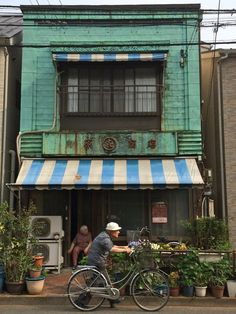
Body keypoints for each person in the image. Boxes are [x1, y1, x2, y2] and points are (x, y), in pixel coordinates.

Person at [87, 221, 132, 308]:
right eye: (117, 230)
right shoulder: (105, 238)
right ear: (112, 231)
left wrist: (124, 247)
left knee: (101, 283)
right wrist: (125, 250)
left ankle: (113, 300)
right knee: (103, 283)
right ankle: (80, 302)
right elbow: (112, 249)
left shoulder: (105, 236)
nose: (119, 232)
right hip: (97, 261)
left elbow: (112, 246)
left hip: (96, 260)